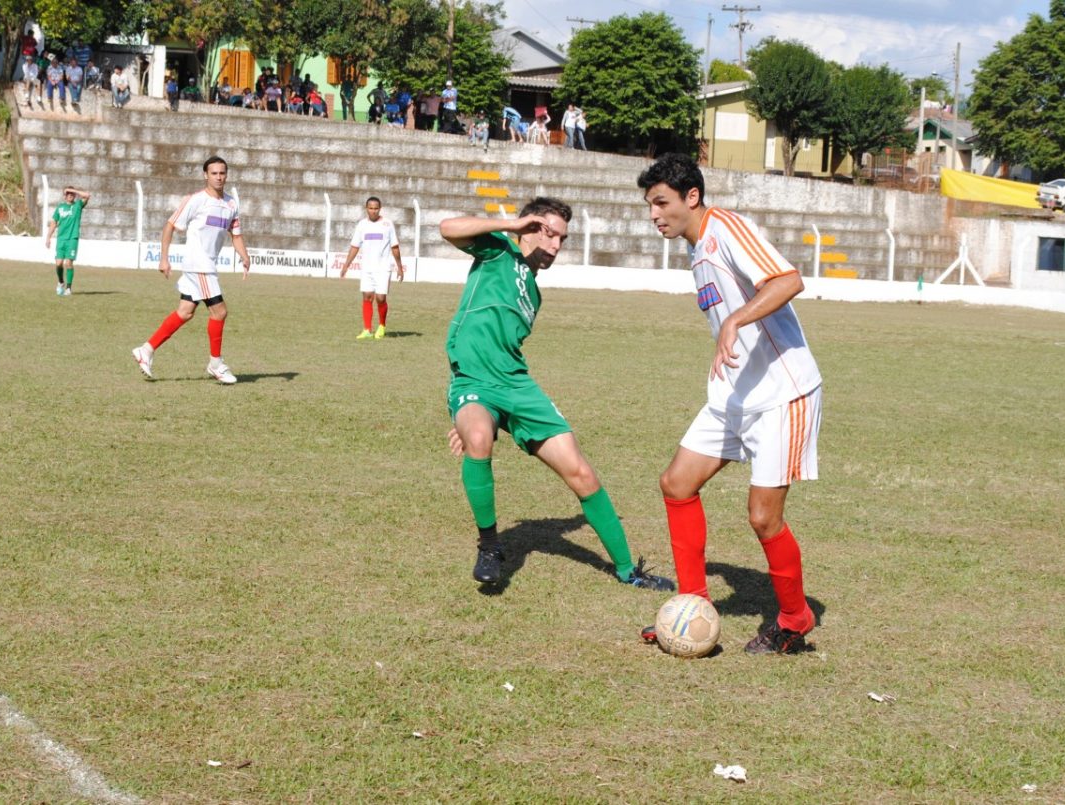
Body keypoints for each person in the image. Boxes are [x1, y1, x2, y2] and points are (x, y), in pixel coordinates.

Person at [637, 153, 822, 655]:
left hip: (782, 394)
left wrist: (737, 321)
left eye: (661, 203)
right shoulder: (699, 248)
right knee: (677, 483)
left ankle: (794, 620)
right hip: (734, 393)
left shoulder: (728, 229)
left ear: (691, 197)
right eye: (649, 205)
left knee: (763, 517)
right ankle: (692, 606)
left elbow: (788, 280)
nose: (654, 214)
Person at [439, 197, 674, 590]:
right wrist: (512, 225)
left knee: (580, 472)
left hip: (517, 386)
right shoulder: (496, 248)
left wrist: (488, 417)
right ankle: (491, 547)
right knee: (478, 438)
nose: (555, 247)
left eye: (562, 239)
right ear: (531, 227)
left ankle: (627, 570)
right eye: (550, 235)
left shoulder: (534, 292)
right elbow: (447, 227)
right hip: (475, 383)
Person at [132, 156, 251, 385]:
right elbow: (170, 225)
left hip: (207, 265)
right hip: (199, 265)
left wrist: (244, 256)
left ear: (227, 175)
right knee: (219, 312)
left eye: (222, 173)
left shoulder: (231, 204)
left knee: (185, 311)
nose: (218, 177)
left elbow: (235, 234)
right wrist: (164, 258)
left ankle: (145, 350)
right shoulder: (195, 200)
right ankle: (216, 363)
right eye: (214, 173)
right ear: (205, 175)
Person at [338, 197, 405, 340]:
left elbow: (395, 247)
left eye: (376, 208)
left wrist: (399, 267)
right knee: (367, 297)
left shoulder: (387, 224)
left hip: (383, 267)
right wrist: (346, 265)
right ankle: (367, 330)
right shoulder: (362, 225)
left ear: (380, 209)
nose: (373, 211)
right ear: (366, 208)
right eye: (370, 208)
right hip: (367, 268)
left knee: (380, 298)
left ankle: (381, 326)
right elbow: (355, 246)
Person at [44, 186, 91, 297]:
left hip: (72, 239)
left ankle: (69, 288)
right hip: (61, 239)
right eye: (68, 193)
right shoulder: (60, 207)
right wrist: (48, 237)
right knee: (59, 263)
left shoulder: (78, 205)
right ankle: (61, 282)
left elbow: (87, 195)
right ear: (64, 196)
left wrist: (73, 190)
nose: (70, 195)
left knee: (68, 263)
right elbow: (54, 222)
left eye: (71, 194)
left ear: (74, 195)